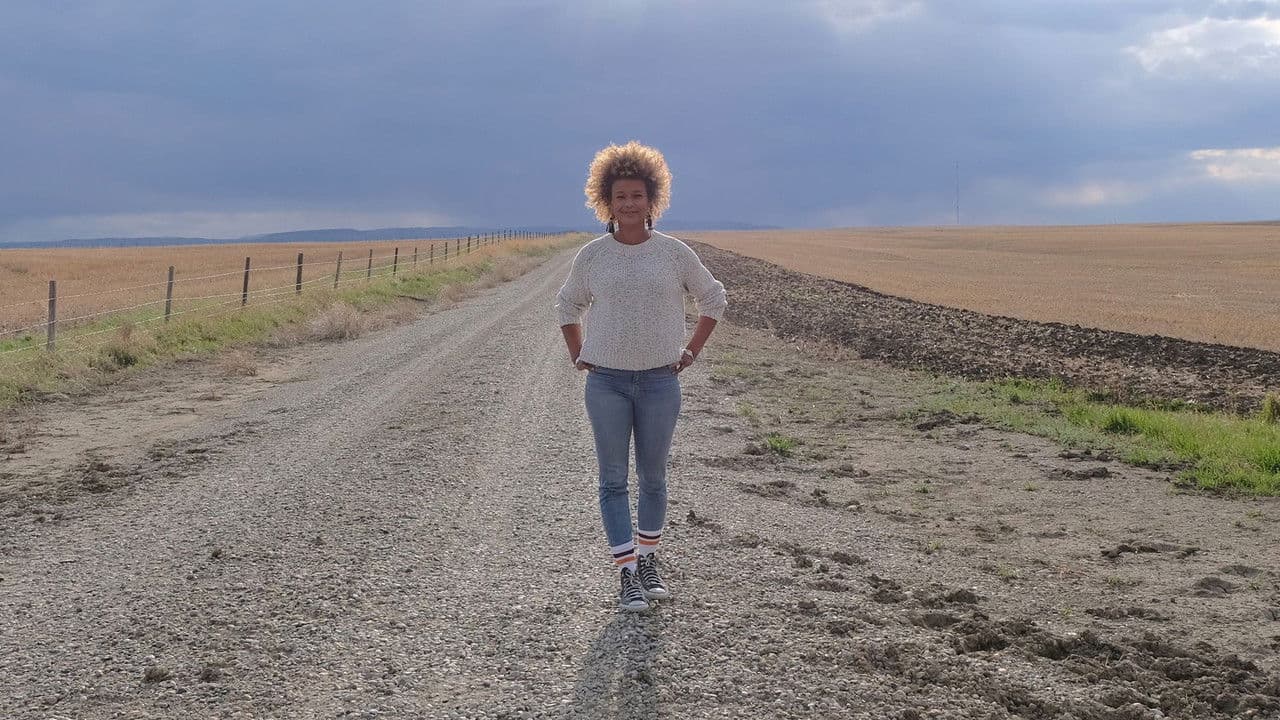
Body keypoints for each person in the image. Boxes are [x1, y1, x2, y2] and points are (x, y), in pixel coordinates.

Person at [555, 141, 727, 612]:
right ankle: (627, 572)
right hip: (606, 383)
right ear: (606, 203)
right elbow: (567, 304)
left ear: (652, 200)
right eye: (620, 197)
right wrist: (578, 353)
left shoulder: (674, 253)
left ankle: (648, 561)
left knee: (653, 478)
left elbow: (714, 298)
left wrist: (691, 351)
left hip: (659, 383)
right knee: (612, 479)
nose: (629, 204)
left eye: (637, 195)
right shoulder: (593, 256)